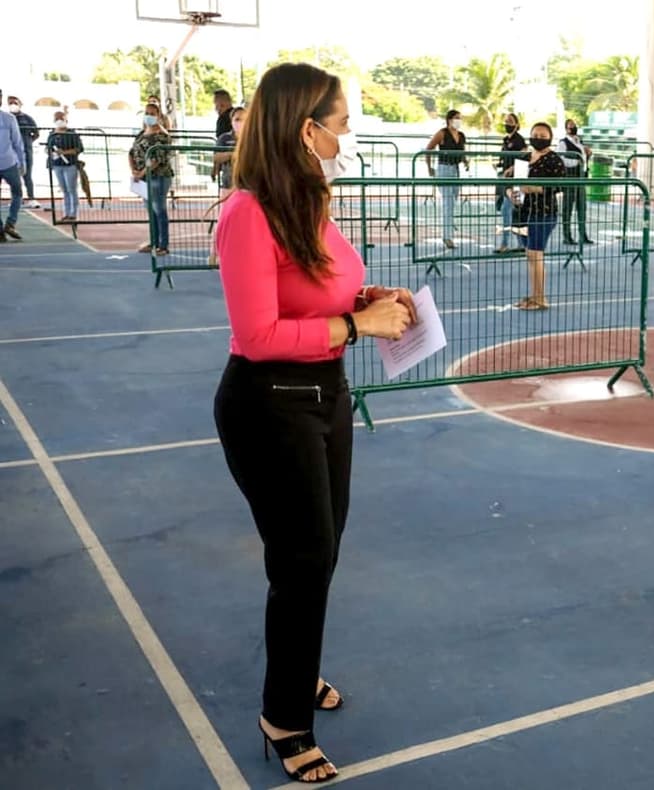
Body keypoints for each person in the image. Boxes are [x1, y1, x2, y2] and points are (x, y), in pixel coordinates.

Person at [213, 62, 416, 784]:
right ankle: (283, 716)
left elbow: (322, 287)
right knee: (301, 562)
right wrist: (355, 324)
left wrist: (368, 295)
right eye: (341, 122)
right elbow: (258, 333)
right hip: (269, 402)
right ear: (306, 129)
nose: (347, 134)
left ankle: (297, 675)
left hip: (324, 395)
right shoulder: (247, 211)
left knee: (318, 555)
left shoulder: (312, 198)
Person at [512, 121, 566, 310]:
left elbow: (559, 186)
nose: (538, 138)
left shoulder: (554, 160)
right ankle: (534, 295)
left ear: (550, 138)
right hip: (525, 212)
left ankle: (541, 298)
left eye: (543, 136)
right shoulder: (525, 157)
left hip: (544, 213)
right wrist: (511, 193)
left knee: (536, 254)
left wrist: (534, 188)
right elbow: (512, 181)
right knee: (531, 254)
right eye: (536, 135)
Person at [129, 104, 173, 256]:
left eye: (152, 113)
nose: (149, 116)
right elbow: (132, 151)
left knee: (159, 209)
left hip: (159, 176)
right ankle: (154, 241)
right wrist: (133, 170)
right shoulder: (142, 133)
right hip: (144, 178)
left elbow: (157, 160)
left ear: (158, 115)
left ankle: (163, 245)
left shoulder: (162, 135)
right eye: (147, 113)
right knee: (150, 210)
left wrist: (141, 173)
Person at [424, 109, 470, 249]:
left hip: (455, 169)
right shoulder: (442, 133)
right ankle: (447, 236)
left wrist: (465, 161)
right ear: (449, 119)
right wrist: (429, 167)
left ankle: (448, 227)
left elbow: (462, 151)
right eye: (456, 118)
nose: (458, 120)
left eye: (460, 118)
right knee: (448, 202)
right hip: (444, 168)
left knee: (453, 199)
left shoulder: (461, 135)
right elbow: (429, 148)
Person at [209, 106, 245, 266]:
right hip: (228, 184)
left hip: (249, 186)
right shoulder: (224, 139)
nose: (240, 123)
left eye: (243, 119)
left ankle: (242, 253)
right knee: (223, 219)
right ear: (231, 122)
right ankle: (213, 254)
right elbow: (216, 157)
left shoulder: (255, 138)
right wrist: (233, 154)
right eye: (237, 119)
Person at [557, 118, 593, 245]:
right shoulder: (563, 143)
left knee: (582, 207)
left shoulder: (580, 142)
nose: (573, 127)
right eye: (570, 126)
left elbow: (583, 158)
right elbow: (561, 159)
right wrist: (575, 161)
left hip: (581, 177)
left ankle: (583, 235)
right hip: (570, 177)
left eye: (574, 125)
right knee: (568, 208)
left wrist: (587, 155)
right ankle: (567, 236)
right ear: (566, 128)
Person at [495, 113, 526, 254]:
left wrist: (512, 168)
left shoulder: (519, 140)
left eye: (510, 121)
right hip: (505, 178)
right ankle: (519, 243)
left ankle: (506, 243)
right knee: (509, 210)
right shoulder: (505, 140)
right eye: (506, 121)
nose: (507, 123)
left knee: (508, 209)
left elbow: (524, 157)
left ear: (516, 124)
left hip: (515, 178)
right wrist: (499, 165)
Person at [46, 112, 84, 222]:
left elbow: (79, 149)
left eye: (61, 118)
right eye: (56, 118)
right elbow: (48, 148)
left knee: (72, 189)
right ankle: (66, 213)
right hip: (57, 165)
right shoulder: (51, 134)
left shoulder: (72, 134)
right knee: (64, 190)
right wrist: (50, 152)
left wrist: (65, 152)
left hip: (70, 164)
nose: (59, 120)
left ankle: (74, 213)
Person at [0, 89, 26, 242]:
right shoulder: (9, 119)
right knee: (17, 193)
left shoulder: (9, 119)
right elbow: (17, 143)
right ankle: (10, 223)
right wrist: (22, 163)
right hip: (9, 163)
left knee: (17, 193)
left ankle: (5, 226)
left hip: (9, 162)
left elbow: (17, 143)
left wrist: (21, 162)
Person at [7, 96, 40, 209]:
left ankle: (31, 198)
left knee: (27, 175)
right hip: (11, 152)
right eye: (10, 103)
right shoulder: (7, 118)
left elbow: (36, 133)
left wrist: (28, 142)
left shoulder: (27, 118)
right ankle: (17, 199)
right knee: (13, 177)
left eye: (15, 102)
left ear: (20, 104)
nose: (13, 104)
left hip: (26, 151)